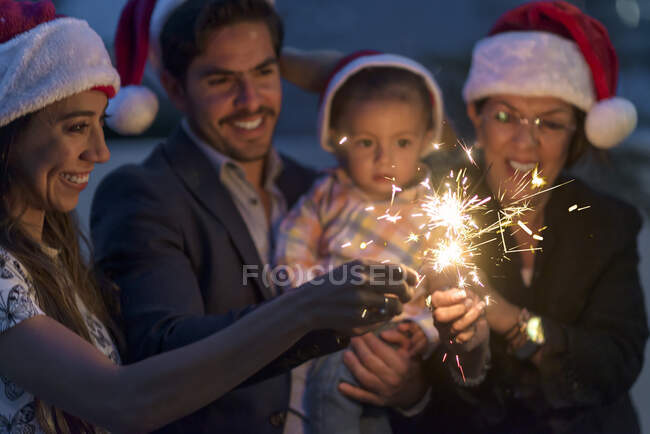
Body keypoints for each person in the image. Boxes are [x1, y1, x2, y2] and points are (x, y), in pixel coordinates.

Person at [0, 1, 415, 433]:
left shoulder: (323, 189)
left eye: (264, 71)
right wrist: (307, 307)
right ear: (174, 88)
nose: (101, 152)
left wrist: (408, 376)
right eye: (221, 78)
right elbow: (130, 390)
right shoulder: (141, 194)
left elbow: (416, 113)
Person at [418, 2, 648, 432]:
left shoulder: (609, 222)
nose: (526, 141)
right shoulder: (433, 207)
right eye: (506, 116)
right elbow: (425, 376)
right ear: (476, 116)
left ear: (578, 132)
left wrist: (513, 321)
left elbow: (614, 361)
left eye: (551, 123)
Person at [273, 51, 489, 434]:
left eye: (401, 142)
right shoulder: (328, 195)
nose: (384, 158)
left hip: (392, 345)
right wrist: (310, 301)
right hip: (330, 333)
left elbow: (444, 291)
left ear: (425, 139)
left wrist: (421, 333)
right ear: (338, 139)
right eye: (366, 142)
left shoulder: (432, 212)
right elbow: (293, 246)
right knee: (331, 392)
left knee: (374, 418)